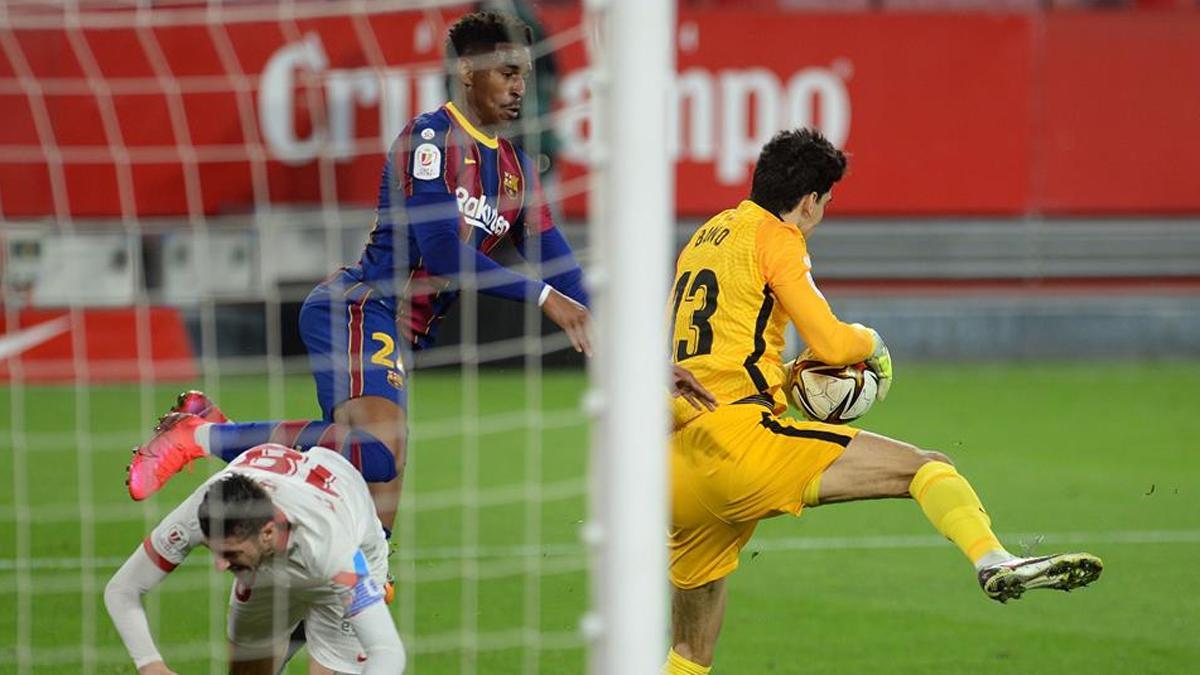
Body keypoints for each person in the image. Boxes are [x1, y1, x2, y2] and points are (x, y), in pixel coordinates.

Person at [125, 11, 591, 539]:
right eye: (506, 72)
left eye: (523, 75)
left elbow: (562, 269)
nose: (518, 88)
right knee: (379, 452)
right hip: (358, 306)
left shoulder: (516, 172)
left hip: (398, 337)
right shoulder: (430, 138)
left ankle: (328, 615)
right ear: (466, 70)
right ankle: (204, 435)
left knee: (371, 536)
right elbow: (442, 252)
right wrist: (544, 297)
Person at [663, 128, 1103, 674]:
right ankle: (995, 559)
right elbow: (828, 342)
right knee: (925, 468)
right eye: (824, 202)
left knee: (688, 654)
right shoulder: (778, 238)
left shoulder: (704, 237)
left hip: (675, 462)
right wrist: (869, 342)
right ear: (809, 201)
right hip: (741, 443)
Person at [105, 443, 406, 674]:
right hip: (264, 568)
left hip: (334, 564)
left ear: (266, 532)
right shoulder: (201, 511)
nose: (219, 565)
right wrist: (150, 664)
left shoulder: (332, 548)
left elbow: (388, 650)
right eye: (215, 549)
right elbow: (122, 589)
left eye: (231, 553)